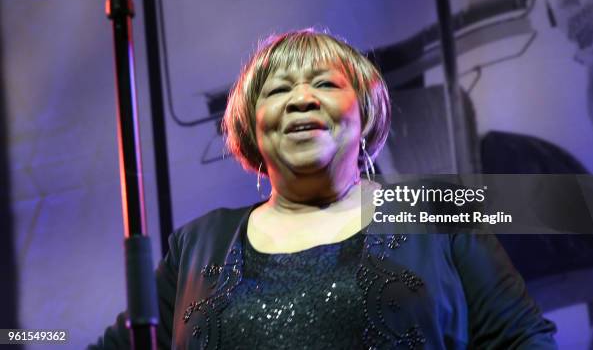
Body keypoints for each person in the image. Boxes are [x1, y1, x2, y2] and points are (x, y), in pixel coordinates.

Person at [90, 29, 557, 349]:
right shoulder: (195, 246)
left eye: (324, 83)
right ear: (251, 127)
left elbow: (522, 338)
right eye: (277, 91)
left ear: (366, 112)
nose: (301, 99)